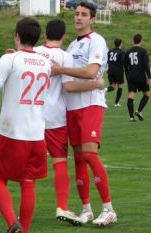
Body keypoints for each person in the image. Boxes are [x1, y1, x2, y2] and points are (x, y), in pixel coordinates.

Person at [0, 17, 51, 233]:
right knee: (28, 182)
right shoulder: (46, 62)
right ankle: (23, 230)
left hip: (12, 132)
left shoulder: (10, 60)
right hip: (36, 134)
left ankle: (11, 223)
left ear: (17, 36)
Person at [51, 2, 117, 226]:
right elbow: (70, 85)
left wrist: (63, 71)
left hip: (90, 105)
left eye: (84, 15)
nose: (78, 18)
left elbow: (90, 72)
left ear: (93, 19)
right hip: (72, 107)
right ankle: (86, 208)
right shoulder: (70, 46)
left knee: (89, 154)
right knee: (78, 158)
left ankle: (108, 208)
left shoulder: (96, 40)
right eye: (76, 14)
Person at [34, 18, 105, 227]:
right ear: (64, 37)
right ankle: (62, 206)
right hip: (55, 117)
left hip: (31, 115)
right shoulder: (66, 56)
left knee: (27, 166)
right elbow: (71, 87)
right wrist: (97, 83)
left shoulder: (33, 53)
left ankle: (21, 213)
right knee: (60, 162)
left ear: (44, 34)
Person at [123, 34, 151, 122]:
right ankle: (138, 111)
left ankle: (131, 117)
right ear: (141, 40)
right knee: (146, 94)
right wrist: (149, 76)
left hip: (131, 75)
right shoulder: (143, 51)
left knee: (131, 95)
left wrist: (128, 77)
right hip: (140, 75)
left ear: (133, 40)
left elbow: (125, 66)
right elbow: (146, 65)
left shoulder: (128, 52)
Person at [106, 38, 125, 107]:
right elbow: (123, 62)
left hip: (110, 70)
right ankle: (116, 103)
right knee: (120, 86)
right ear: (120, 44)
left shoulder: (110, 51)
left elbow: (107, 60)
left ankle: (104, 90)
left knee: (112, 87)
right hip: (118, 71)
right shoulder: (122, 52)